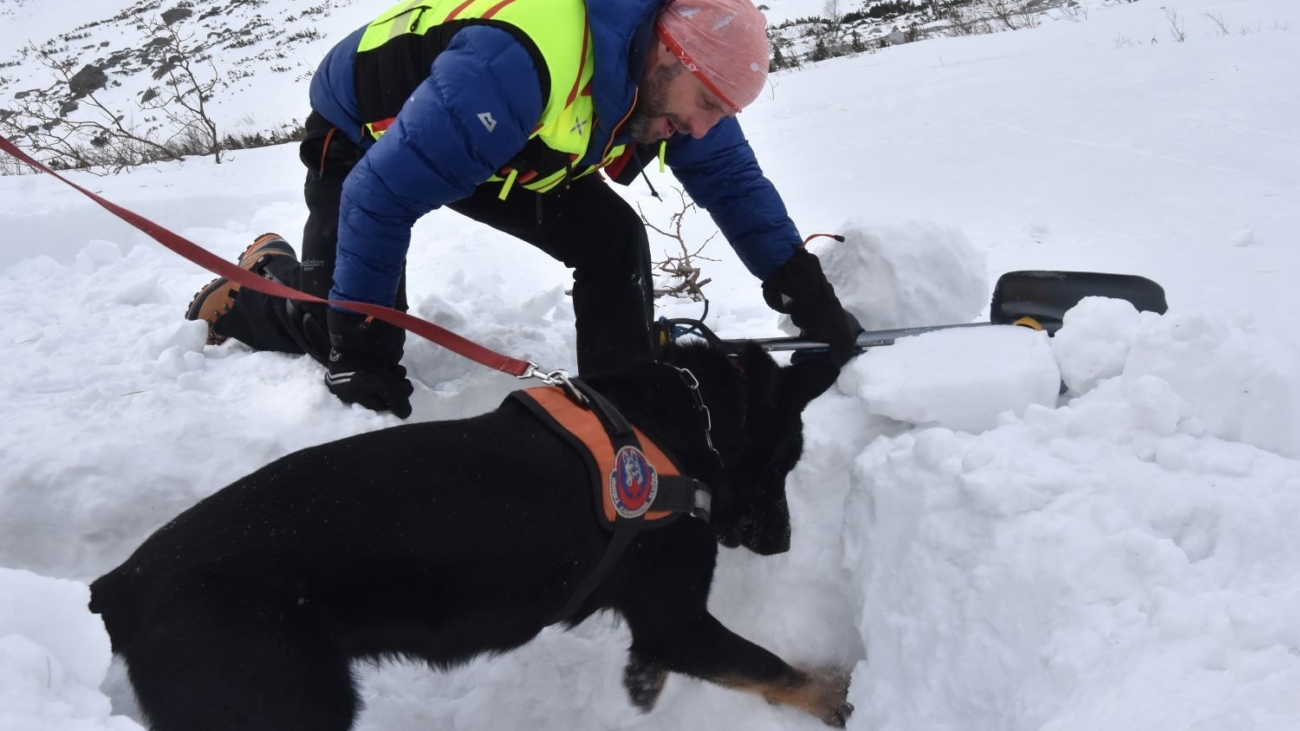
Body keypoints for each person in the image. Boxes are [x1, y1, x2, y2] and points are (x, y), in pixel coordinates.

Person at [186, 0, 860, 419]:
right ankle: (253, 288)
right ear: (667, 55)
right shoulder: (520, 66)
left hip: (492, 138)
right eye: (708, 104)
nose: (706, 125)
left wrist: (802, 287)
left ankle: (619, 409)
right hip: (363, 130)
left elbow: (731, 179)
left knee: (610, 237)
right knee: (336, 320)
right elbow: (378, 196)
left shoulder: (673, 76)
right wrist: (361, 351)